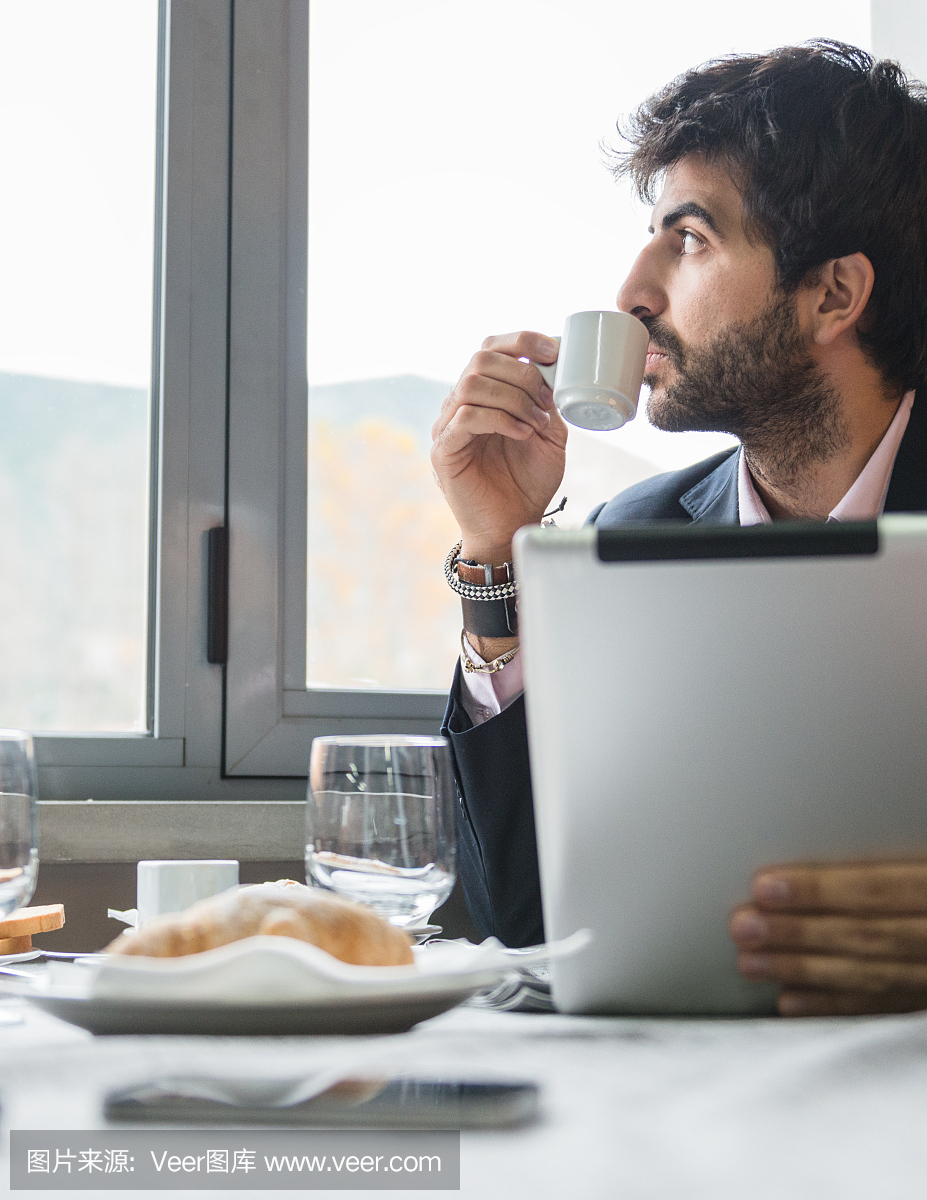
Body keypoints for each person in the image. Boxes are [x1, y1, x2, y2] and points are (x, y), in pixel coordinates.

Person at [430, 41, 927, 1017]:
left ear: (834, 293)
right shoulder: (632, 535)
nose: (631, 296)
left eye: (688, 238)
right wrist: (496, 555)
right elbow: (522, 926)